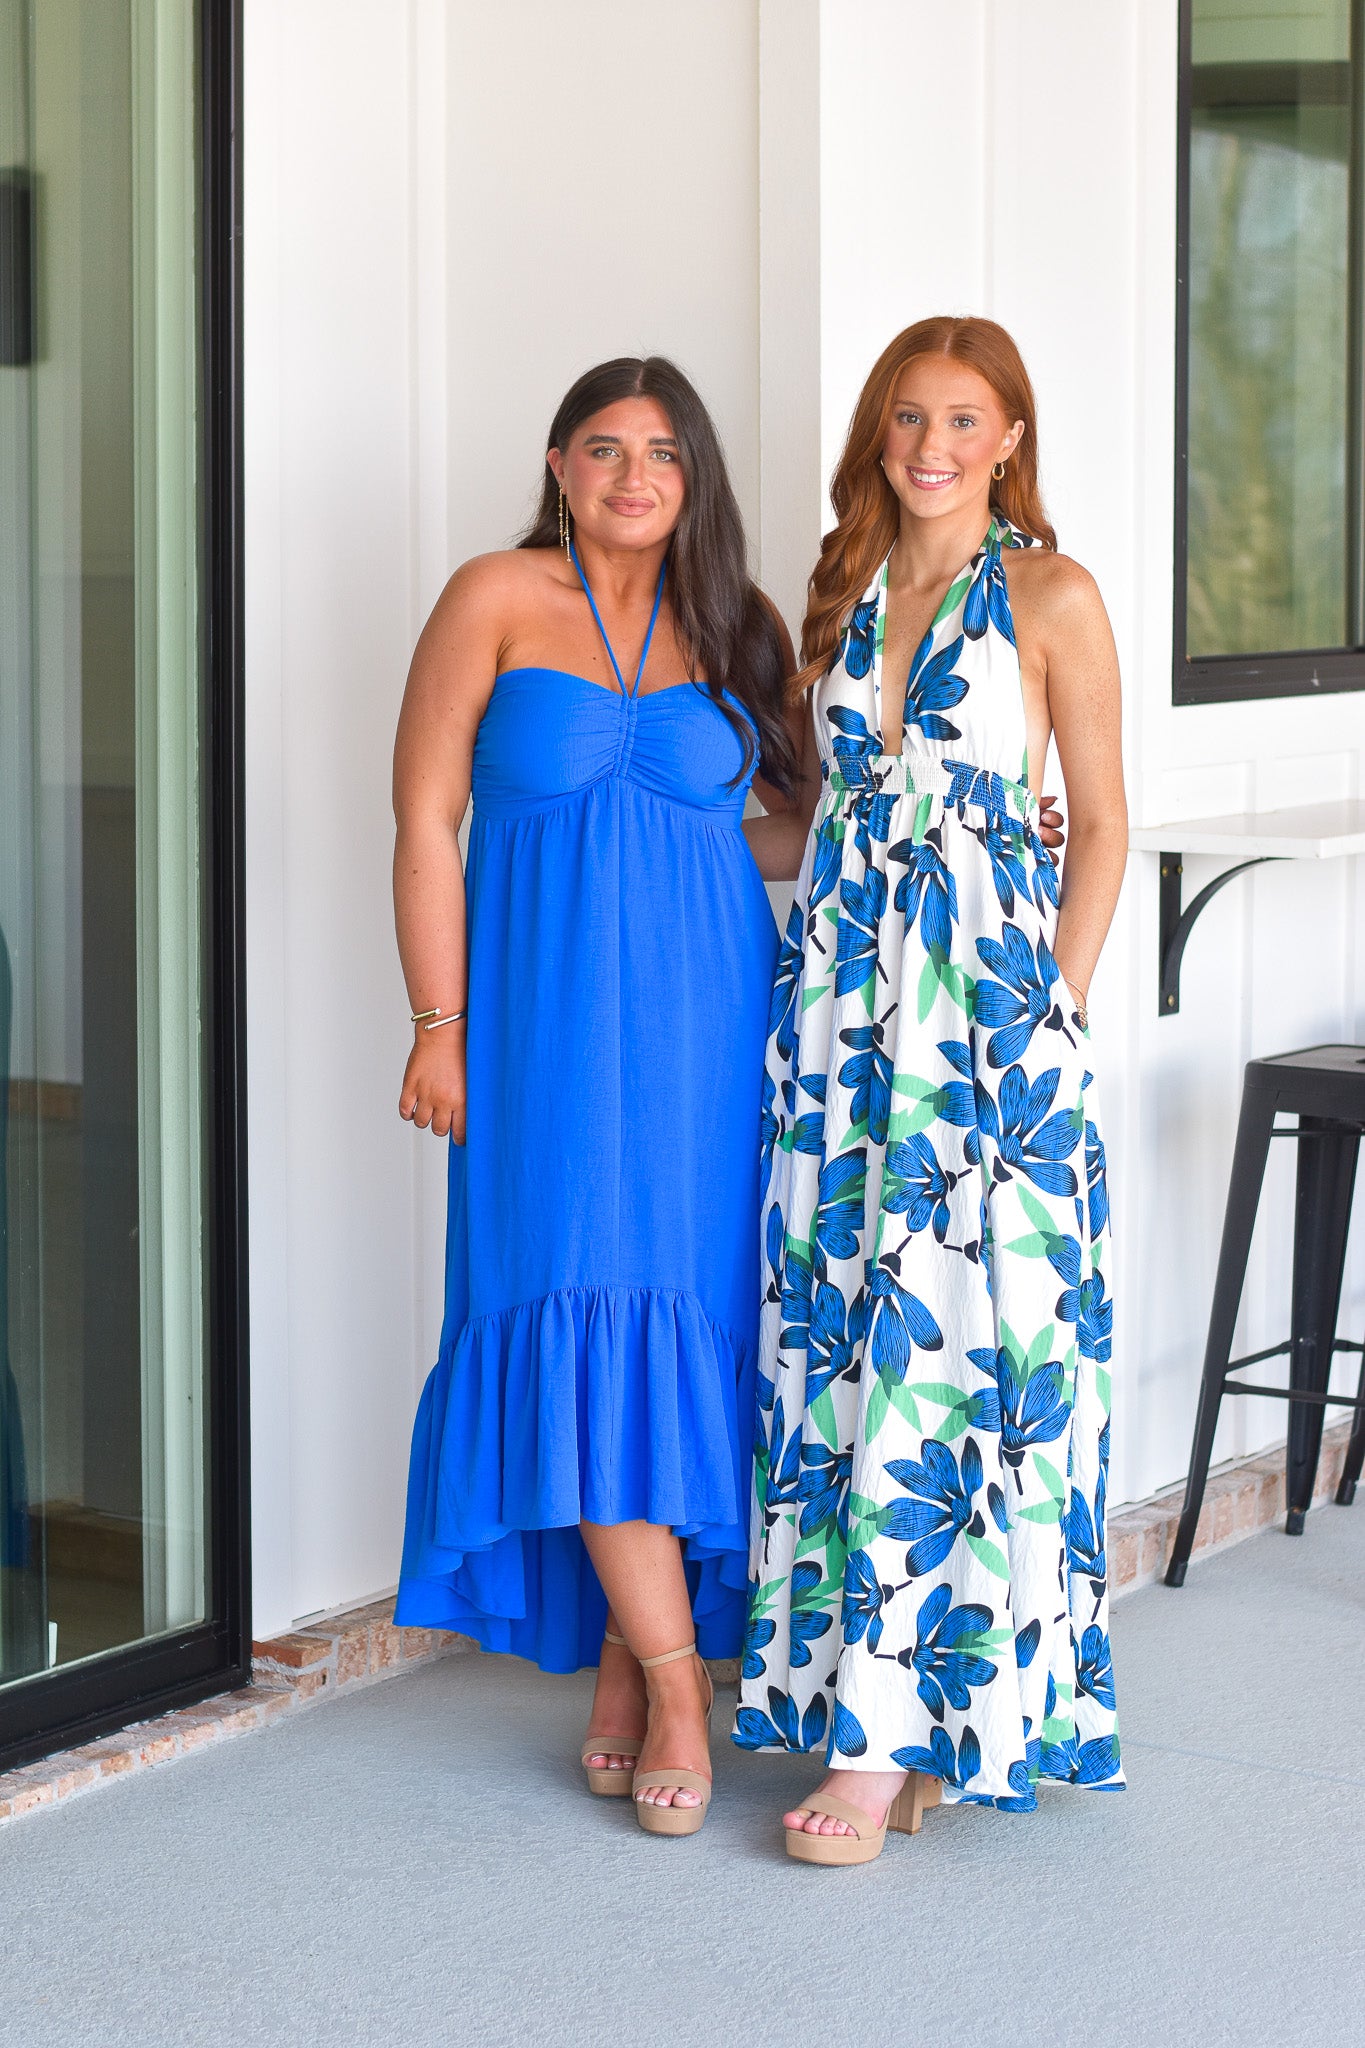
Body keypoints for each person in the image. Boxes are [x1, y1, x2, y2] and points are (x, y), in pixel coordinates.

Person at [390, 356, 805, 1836]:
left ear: (697, 476)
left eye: (666, 452)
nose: (637, 477)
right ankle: (683, 1685)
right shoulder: (494, 597)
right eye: (606, 448)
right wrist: (438, 1025)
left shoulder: (738, 623)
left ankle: (632, 1663)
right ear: (560, 464)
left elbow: (783, 827)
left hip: (710, 1025)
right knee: (578, 1304)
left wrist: (991, 819)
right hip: (542, 1030)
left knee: (687, 1318)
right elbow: (425, 820)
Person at [736, 315, 1127, 1863]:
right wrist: (639, 822)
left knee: (966, 1356)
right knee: (844, 1344)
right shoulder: (836, 596)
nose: (932, 447)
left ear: (1009, 437)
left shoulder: (1050, 595)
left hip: (988, 1038)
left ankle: (895, 1739)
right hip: (839, 1028)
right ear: (877, 434)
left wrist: (1055, 1016)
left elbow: (1100, 822)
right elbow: (815, 824)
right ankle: (871, 1705)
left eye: (965, 419)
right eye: (908, 417)